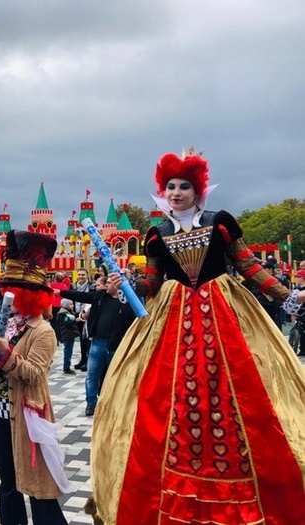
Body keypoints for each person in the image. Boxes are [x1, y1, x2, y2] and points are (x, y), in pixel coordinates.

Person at [86, 152, 305, 524]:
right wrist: (128, 285)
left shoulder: (219, 222)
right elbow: (153, 282)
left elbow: (248, 265)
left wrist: (289, 296)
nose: (175, 192)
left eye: (183, 186)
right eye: (170, 186)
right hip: (170, 318)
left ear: (197, 190)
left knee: (240, 391)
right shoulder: (158, 234)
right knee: (163, 396)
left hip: (224, 312)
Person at [0, 230, 70, 525]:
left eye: (14, 288)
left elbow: (34, 374)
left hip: (29, 419)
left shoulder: (44, 332)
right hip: (0, 416)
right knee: (9, 485)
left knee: (38, 487)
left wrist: (6, 354)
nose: (7, 294)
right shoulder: (9, 324)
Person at [59, 274, 136, 416]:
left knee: (114, 375)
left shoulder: (128, 303)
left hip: (116, 345)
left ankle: (112, 403)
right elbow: (81, 296)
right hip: (97, 342)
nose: (107, 285)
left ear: (119, 285)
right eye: (106, 282)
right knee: (92, 374)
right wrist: (61, 292)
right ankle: (91, 403)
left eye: (110, 282)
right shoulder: (100, 296)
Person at [57, 299, 79, 375]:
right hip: (67, 335)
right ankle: (66, 367)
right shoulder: (64, 313)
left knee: (69, 350)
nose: (72, 305)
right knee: (68, 351)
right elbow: (67, 322)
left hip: (69, 335)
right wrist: (76, 320)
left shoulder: (68, 313)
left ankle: (67, 366)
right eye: (70, 304)